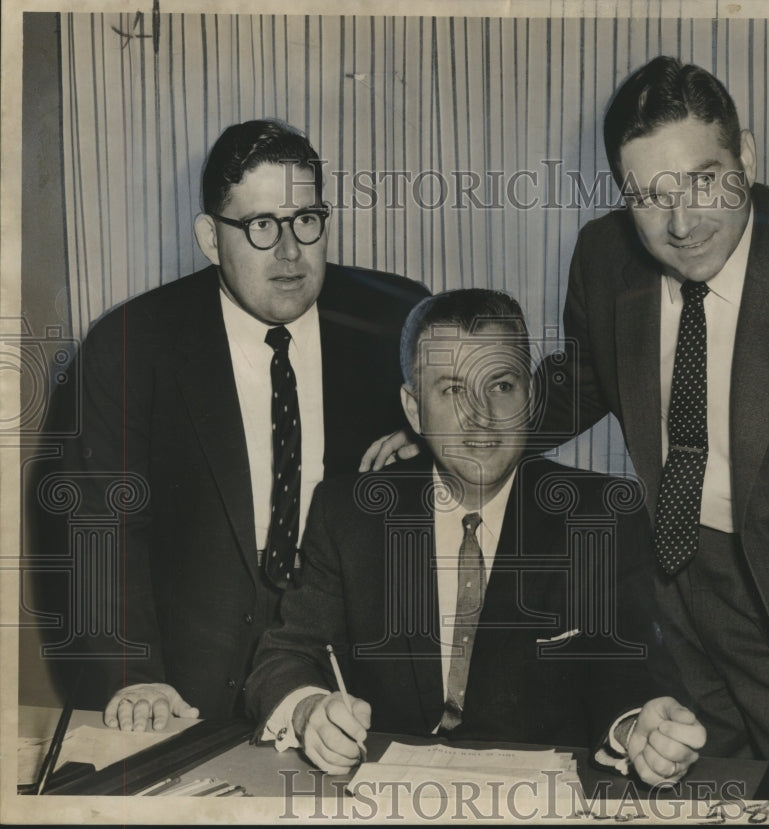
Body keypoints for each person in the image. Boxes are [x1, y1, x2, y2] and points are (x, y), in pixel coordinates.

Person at [360, 57, 769, 798]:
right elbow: (573, 390)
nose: (681, 222)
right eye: (650, 196)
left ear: (748, 155)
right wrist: (452, 432)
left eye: (706, 180)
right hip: (668, 593)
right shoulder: (609, 257)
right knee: (675, 794)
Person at [34, 119, 429, 730]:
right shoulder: (132, 343)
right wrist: (134, 677)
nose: (290, 251)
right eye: (260, 226)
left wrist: (432, 437)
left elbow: (485, 443)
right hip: (185, 691)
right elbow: (100, 530)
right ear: (211, 238)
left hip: (355, 690)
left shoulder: (398, 319)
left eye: (306, 220)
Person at [246, 289, 706, 785]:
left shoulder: (598, 515)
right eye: (451, 390)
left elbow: (632, 667)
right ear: (414, 409)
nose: (481, 415)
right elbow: (285, 657)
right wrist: (309, 710)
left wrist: (636, 726)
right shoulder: (348, 513)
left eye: (501, 385)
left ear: (528, 400)